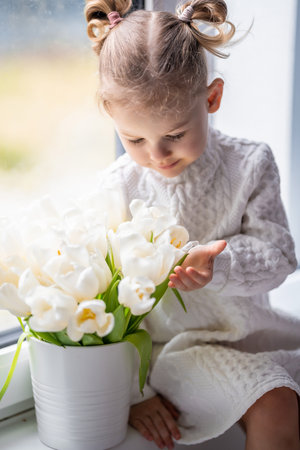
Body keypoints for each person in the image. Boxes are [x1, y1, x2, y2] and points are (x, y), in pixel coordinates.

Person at [84, 1, 300, 449]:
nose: (158, 155)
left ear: (212, 99)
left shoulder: (250, 164)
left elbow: (280, 256)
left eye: (176, 134)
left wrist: (218, 267)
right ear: (111, 116)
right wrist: (134, 394)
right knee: (275, 400)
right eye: (135, 139)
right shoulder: (116, 189)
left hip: (256, 334)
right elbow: (102, 309)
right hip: (175, 355)